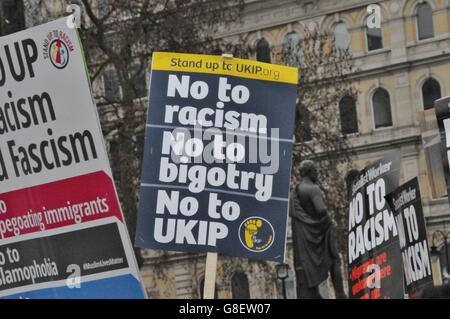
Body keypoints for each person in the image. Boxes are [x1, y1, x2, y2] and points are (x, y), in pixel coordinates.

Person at [289, 160, 347, 299]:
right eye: (315, 171)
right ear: (310, 172)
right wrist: (330, 222)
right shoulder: (312, 189)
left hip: (305, 236)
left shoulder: (296, 191)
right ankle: (340, 294)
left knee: (308, 269)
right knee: (335, 260)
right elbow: (321, 210)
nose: (317, 173)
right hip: (320, 231)